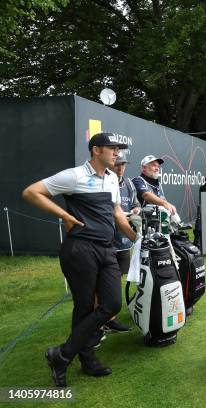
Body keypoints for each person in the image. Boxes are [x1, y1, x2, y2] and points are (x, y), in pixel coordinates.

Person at [22, 132, 137, 387]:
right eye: (112, 148)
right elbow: (32, 192)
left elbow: (117, 213)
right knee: (84, 307)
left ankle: (61, 355)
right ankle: (87, 360)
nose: (117, 153)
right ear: (96, 150)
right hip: (80, 250)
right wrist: (64, 214)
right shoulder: (74, 176)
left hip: (107, 249)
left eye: (118, 149)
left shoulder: (112, 179)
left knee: (111, 304)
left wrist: (135, 236)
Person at [103, 150, 141, 333]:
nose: (120, 168)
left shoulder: (129, 184)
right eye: (117, 164)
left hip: (124, 242)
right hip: (106, 241)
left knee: (117, 280)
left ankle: (108, 319)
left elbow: (135, 204)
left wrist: (135, 210)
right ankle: (104, 319)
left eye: (123, 164)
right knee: (105, 282)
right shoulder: (104, 181)